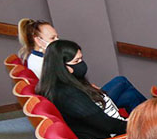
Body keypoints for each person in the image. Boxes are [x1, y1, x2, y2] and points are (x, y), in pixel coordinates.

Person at [18, 18, 146, 111]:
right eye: (52, 38)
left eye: (57, 37)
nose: (58, 41)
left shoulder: (39, 58)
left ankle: (153, 119)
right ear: (38, 41)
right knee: (121, 81)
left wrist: (88, 87)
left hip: (83, 97)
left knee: (131, 96)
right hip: (83, 105)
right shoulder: (42, 64)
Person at [36, 40, 128, 139]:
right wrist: (137, 126)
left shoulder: (58, 84)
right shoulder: (69, 95)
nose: (81, 64)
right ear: (62, 67)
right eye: (76, 61)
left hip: (102, 130)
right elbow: (108, 125)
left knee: (129, 96)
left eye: (81, 59)